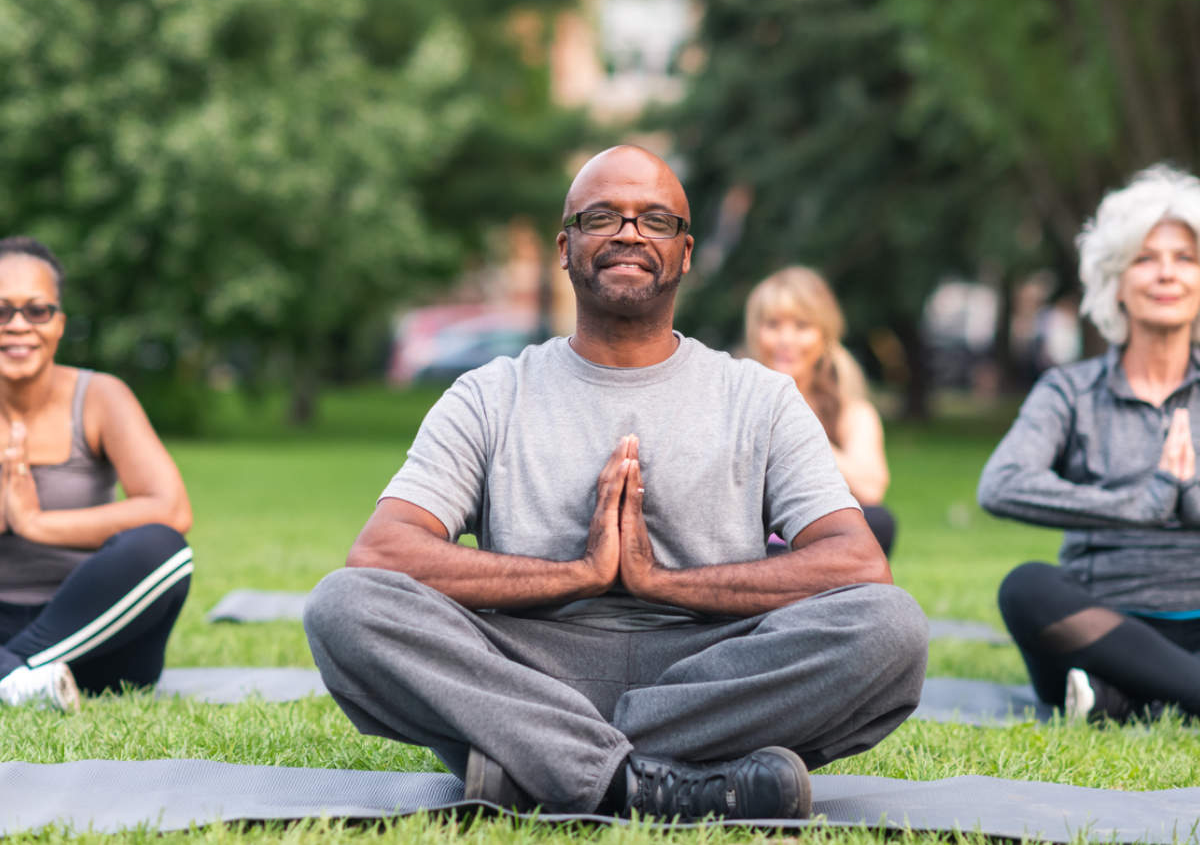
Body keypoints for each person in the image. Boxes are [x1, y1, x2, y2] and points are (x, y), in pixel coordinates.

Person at [304, 146, 928, 820]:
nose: (630, 233)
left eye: (655, 221)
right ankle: (662, 782)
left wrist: (661, 583)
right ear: (565, 247)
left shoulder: (762, 398)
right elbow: (384, 551)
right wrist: (579, 575)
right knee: (346, 605)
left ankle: (540, 765)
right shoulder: (489, 394)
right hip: (528, 669)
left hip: (713, 670)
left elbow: (856, 562)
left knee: (889, 627)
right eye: (602, 217)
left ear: (685, 254)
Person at [978, 164, 1200, 724]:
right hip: (1100, 625)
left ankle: (1125, 700)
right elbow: (1001, 485)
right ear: (1115, 281)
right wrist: (1138, 505)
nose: (1167, 274)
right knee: (1026, 587)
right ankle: (1160, 689)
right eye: (1145, 259)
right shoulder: (1070, 390)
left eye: (1185, 258)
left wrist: (1189, 496)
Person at [0, 237, 193, 711]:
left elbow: (171, 509)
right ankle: (19, 683)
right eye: (1, 311)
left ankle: (12, 672)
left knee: (162, 547)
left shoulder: (101, 396)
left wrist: (34, 523)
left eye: (37, 311)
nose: (18, 325)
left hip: (94, 637)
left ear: (60, 323)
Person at [745, 267, 896, 556]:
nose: (785, 340)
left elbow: (871, 489)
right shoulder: (735, 402)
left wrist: (796, 426)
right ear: (755, 333)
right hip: (752, 544)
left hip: (815, 541)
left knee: (878, 522)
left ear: (824, 336)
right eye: (773, 325)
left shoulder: (853, 414)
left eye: (801, 327)